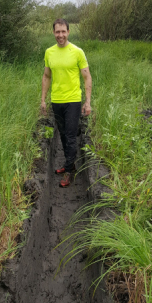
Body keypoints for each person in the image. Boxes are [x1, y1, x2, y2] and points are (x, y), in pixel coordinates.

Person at [40, 18, 93, 188]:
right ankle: (70, 164)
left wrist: (88, 102)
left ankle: (70, 171)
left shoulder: (77, 52)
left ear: (68, 32)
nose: (60, 35)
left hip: (73, 101)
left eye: (63, 31)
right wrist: (43, 100)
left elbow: (87, 76)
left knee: (70, 137)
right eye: (57, 32)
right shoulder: (49, 52)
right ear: (54, 33)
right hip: (57, 101)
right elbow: (47, 76)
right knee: (62, 134)